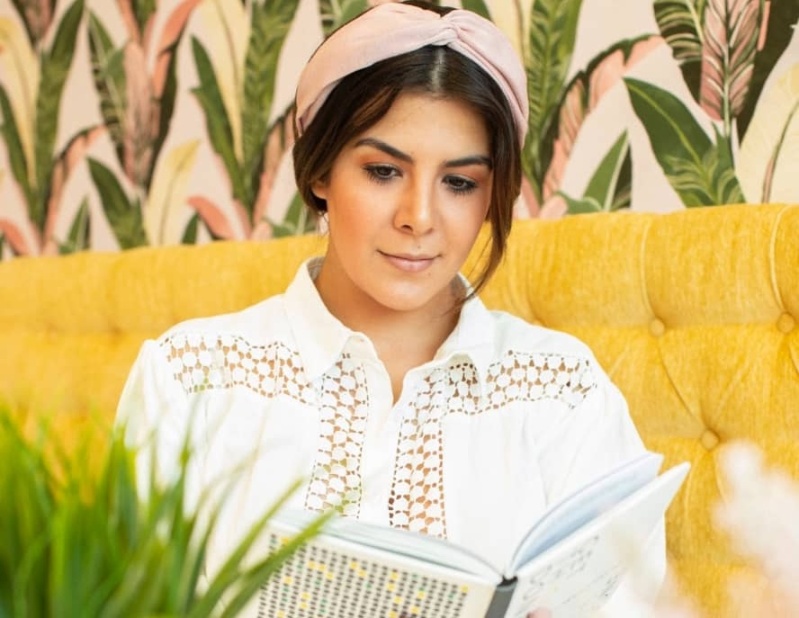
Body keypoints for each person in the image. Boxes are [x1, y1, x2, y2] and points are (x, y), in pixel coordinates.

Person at [116, 1, 666, 615]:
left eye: (459, 182)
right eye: (383, 171)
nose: (419, 218)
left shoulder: (561, 392)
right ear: (320, 170)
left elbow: (636, 601)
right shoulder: (191, 378)